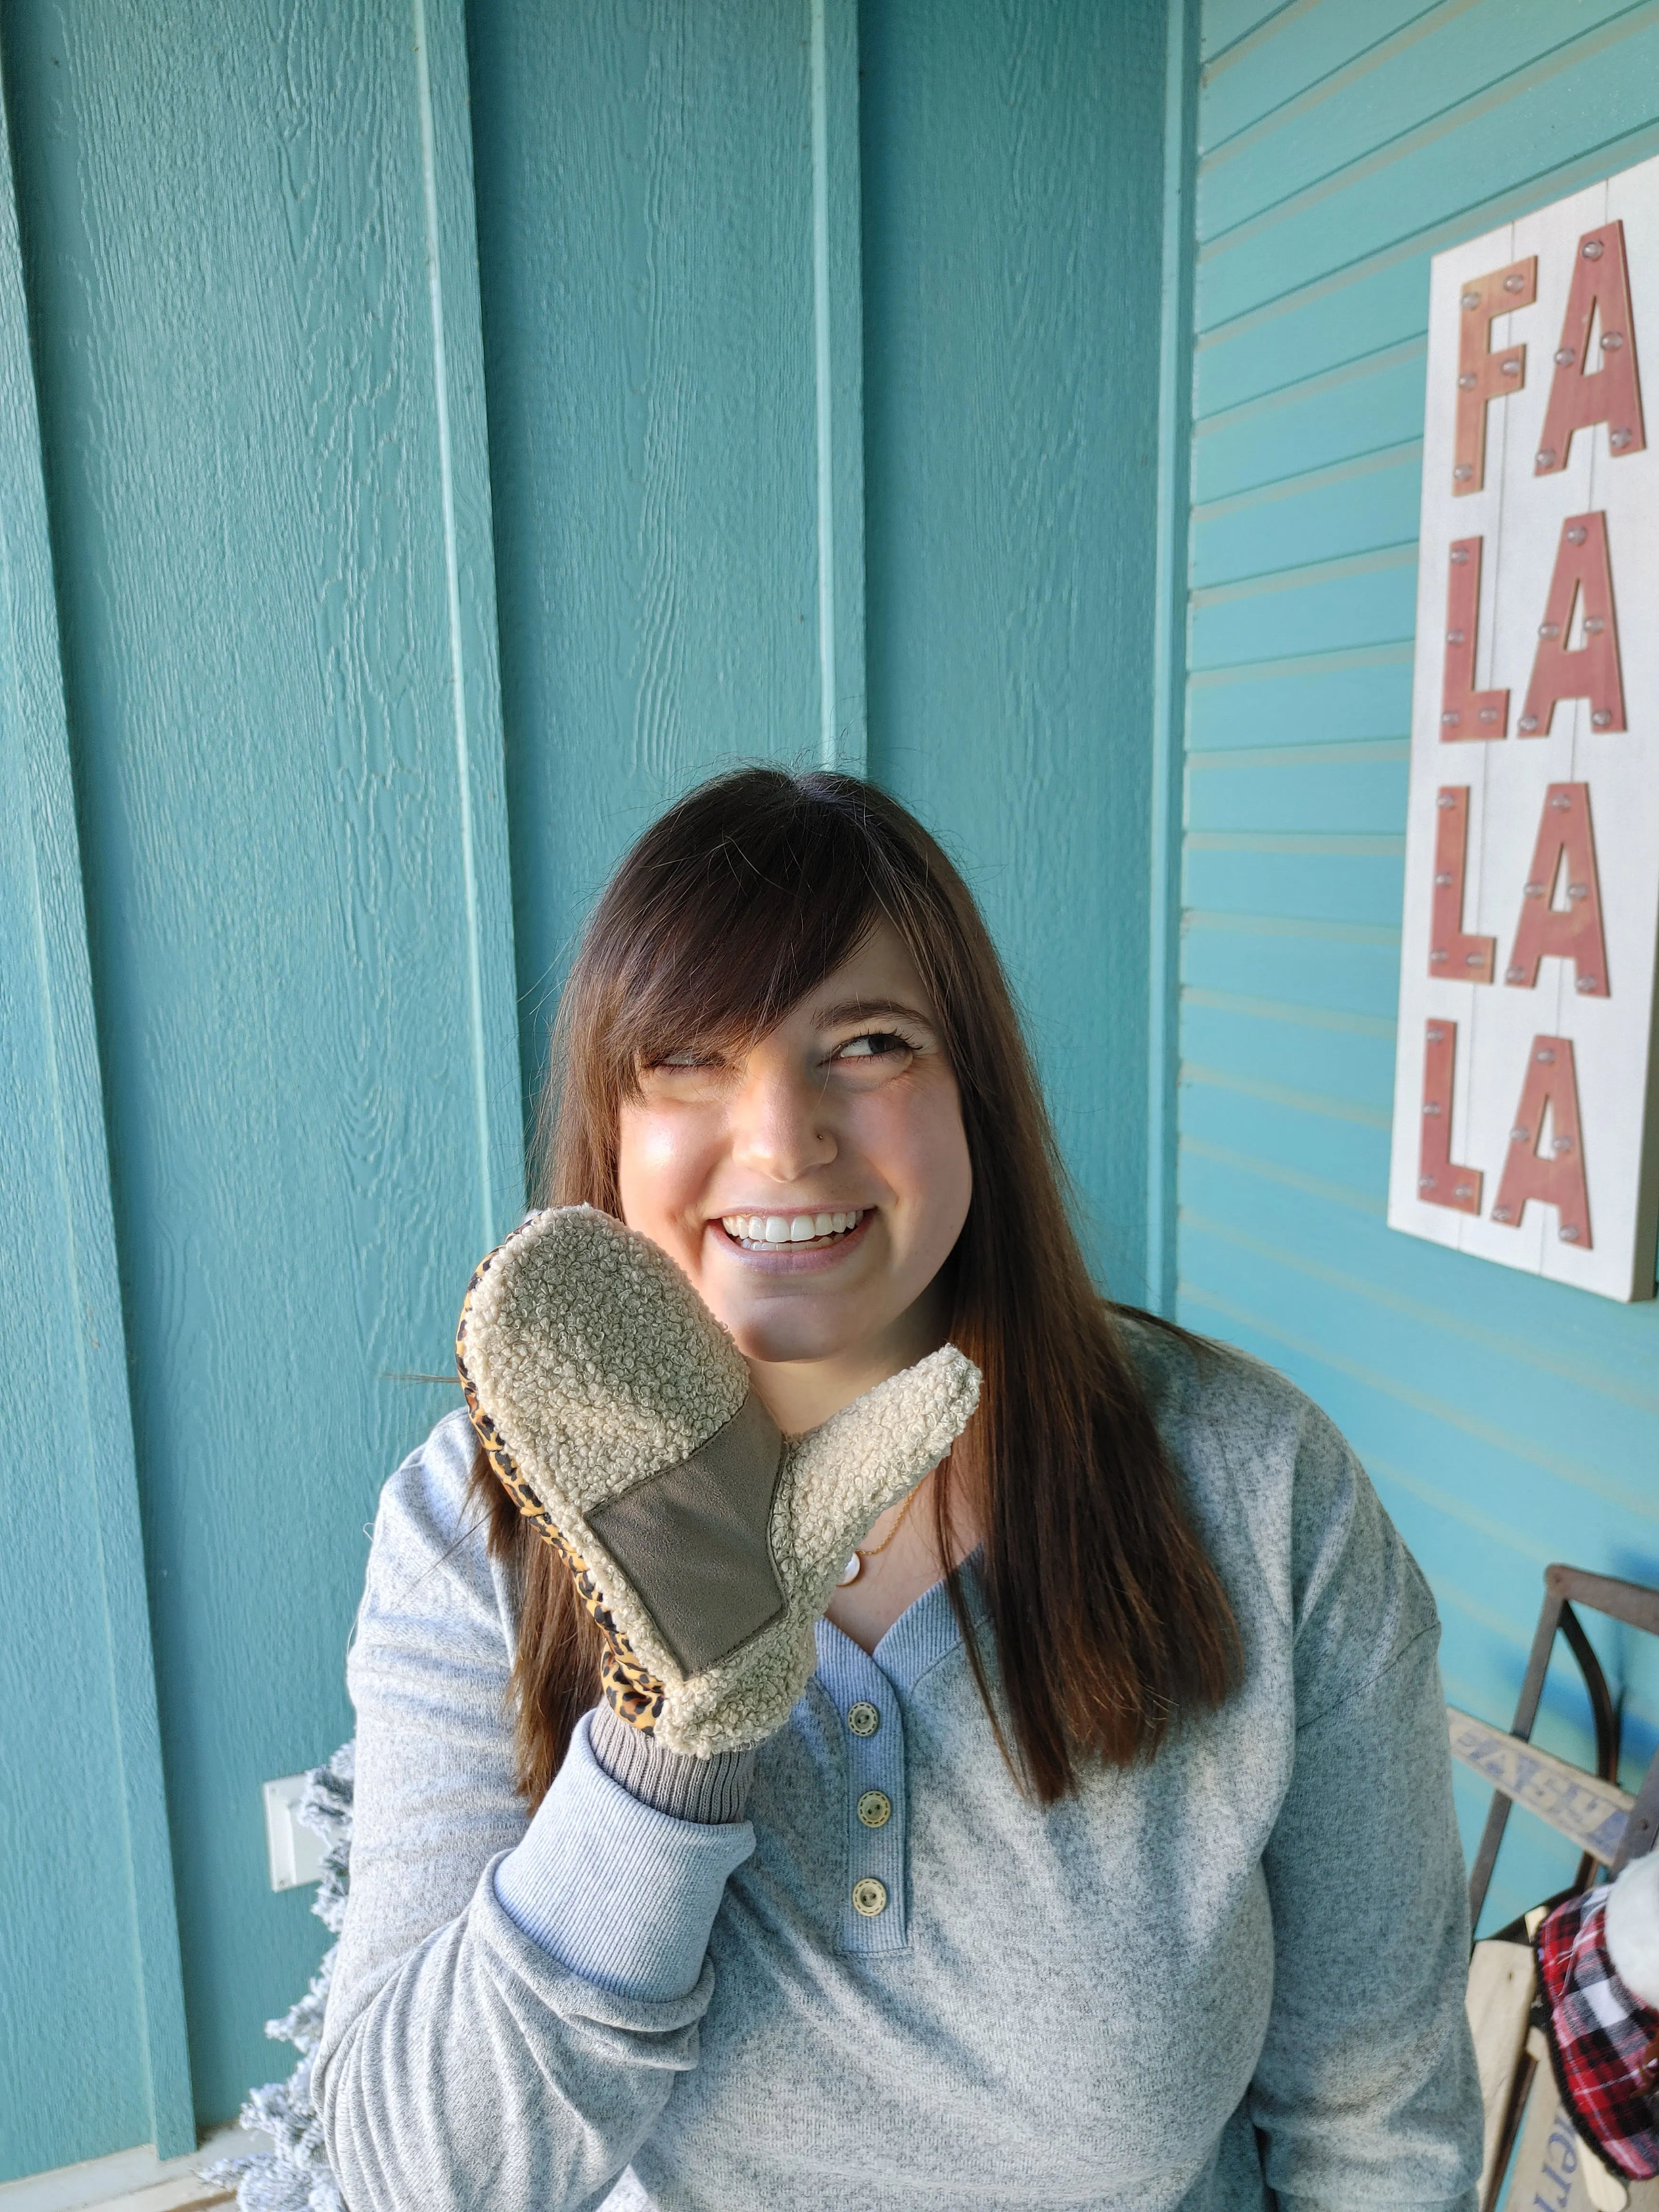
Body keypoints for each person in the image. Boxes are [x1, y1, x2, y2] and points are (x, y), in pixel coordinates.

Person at [315, 767, 1482, 2211]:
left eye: (866, 1044)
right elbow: (408, 2179)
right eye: (687, 1057)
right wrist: (675, 1744)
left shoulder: (1254, 1486)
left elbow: (1375, 2113)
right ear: (611, 1126)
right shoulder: (467, 1526)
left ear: (974, 1093)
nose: (784, 1136)